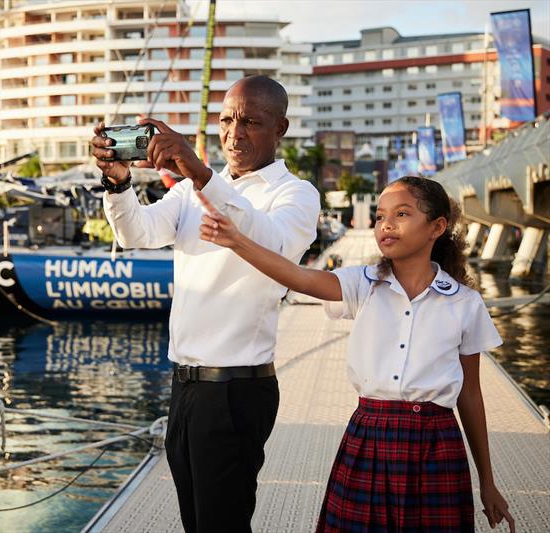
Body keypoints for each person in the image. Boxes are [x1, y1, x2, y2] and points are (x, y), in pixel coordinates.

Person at [196, 176, 515, 533]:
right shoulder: (361, 284)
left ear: (436, 227)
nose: (386, 224)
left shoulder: (465, 303)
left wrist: (487, 481)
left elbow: (470, 394)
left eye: (402, 214)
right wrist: (237, 241)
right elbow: (298, 277)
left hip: (437, 444)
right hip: (369, 436)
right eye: (379, 217)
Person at [90, 75, 320, 532]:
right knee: (196, 522)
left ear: (281, 128)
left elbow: (271, 244)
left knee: (223, 523)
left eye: (251, 122)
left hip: (237, 390)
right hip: (185, 388)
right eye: (227, 120)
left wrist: (200, 173)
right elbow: (137, 234)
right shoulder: (188, 191)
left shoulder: (296, 194)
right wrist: (118, 183)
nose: (235, 133)